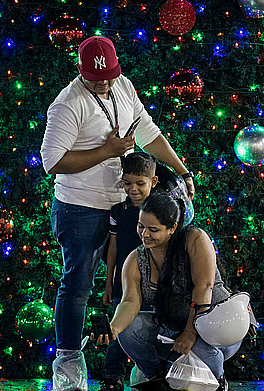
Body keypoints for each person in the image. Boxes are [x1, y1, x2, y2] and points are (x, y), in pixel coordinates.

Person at [40, 36, 195, 391]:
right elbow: (53, 162)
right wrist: (106, 150)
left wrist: (182, 171)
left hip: (125, 207)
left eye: (110, 75)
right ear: (81, 72)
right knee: (77, 285)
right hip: (80, 207)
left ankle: (141, 361)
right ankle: (68, 369)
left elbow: (147, 131)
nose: (105, 83)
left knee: (138, 284)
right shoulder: (68, 104)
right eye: (97, 79)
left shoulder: (123, 86)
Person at [97, 192, 239, 391]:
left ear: (172, 228)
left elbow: (204, 287)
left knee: (198, 349)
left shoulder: (194, 239)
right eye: (141, 226)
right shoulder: (135, 259)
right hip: (173, 329)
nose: (144, 234)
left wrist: (190, 333)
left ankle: (218, 381)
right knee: (128, 332)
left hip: (218, 327)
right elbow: (130, 302)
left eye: (153, 229)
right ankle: (158, 378)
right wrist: (114, 328)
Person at [101, 152, 158, 390]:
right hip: (123, 282)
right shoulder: (118, 212)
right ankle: (113, 375)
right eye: (127, 183)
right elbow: (112, 248)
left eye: (140, 183)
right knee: (118, 327)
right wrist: (108, 283)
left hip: (153, 282)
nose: (133, 189)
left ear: (153, 182)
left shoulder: (160, 210)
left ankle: (153, 372)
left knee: (152, 327)